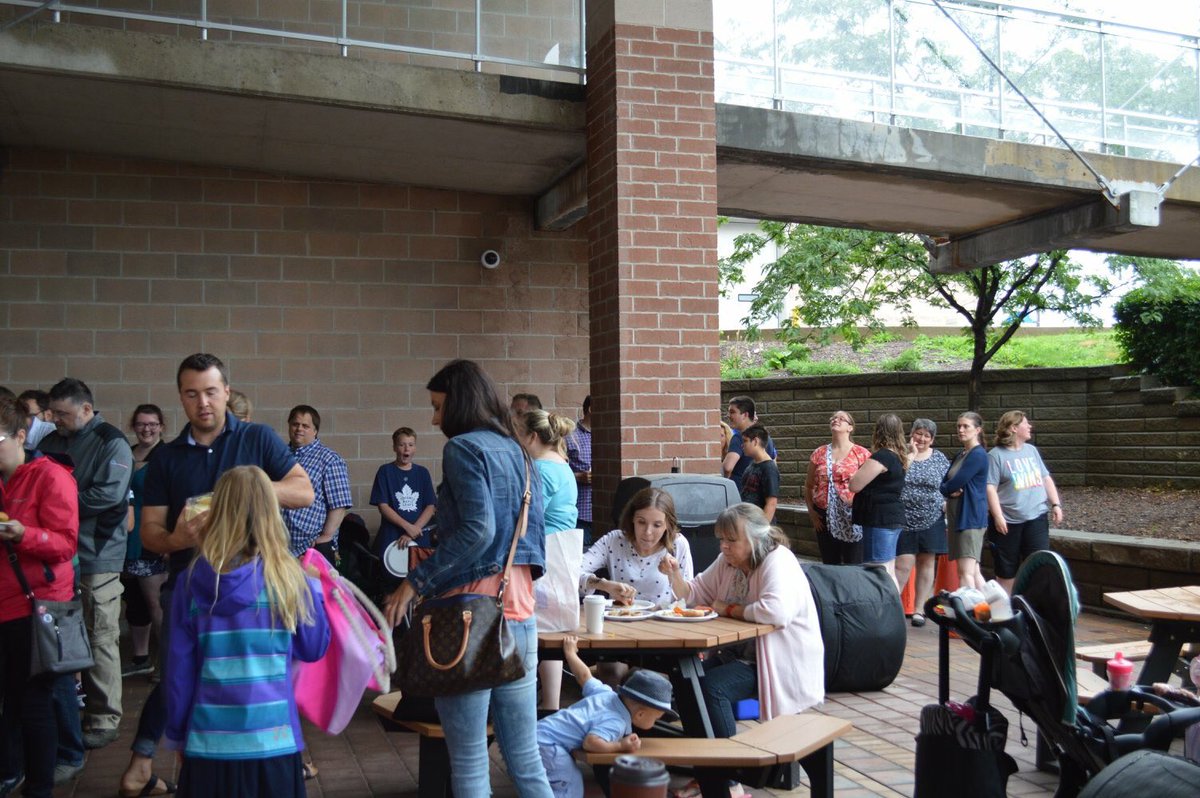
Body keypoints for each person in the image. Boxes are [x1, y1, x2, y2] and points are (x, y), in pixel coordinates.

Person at [119, 353, 313, 798]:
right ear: (180, 398)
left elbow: (303, 491)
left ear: (226, 391)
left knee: (262, 671)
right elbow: (150, 533)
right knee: (180, 675)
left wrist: (244, 492)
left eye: (210, 391)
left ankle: (274, 750)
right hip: (192, 586)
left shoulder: (257, 438)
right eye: (192, 394)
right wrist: (178, 537)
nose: (202, 402)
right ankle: (190, 754)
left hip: (260, 584)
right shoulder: (167, 458)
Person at [383, 359, 553, 798]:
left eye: (438, 406)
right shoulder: (518, 450)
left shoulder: (462, 448)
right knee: (526, 760)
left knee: (471, 765)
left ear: (459, 404)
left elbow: (479, 531)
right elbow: (530, 540)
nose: (434, 418)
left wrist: (414, 582)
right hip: (520, 616)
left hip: (468, 623)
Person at [165, 466, 330, 798]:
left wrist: (179, 734)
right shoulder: (289, 581)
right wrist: (315, 589)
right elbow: (313, 647)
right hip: (274, 742)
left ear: (219, 511)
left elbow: (178, 671)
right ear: (271, 512)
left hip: (208, 743)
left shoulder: (189, 583)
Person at [660, 503, 824, 739]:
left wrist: (728, 609)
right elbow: (693, 594)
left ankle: (725, 758)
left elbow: (776, 612)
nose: (723, 546)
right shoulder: (727, 561)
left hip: (778, 661)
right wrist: (674, 574)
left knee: (712, 687)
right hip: (737, 654)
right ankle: (702, 751)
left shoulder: (778, 560)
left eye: (731, 540)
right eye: (721, 539)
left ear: (756, 538)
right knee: (684, 676)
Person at [38, 378, 134, 750]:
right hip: (56, 554)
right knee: (59, 635)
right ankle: (66, 711)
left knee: (100, 635)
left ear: (86, 410)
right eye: (52, 413)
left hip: (98, 553)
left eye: (62, 414)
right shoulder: (51, 443)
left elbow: (108, 495)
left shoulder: (111, 442)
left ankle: (104, 717)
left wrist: (57, 502)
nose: (55, 419)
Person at [0, 395, 81, 798]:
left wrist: (23, 534)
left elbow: (66, 544)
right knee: (11, 701)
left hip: (38, 608)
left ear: (20, 435)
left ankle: (39, 786)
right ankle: (11, 771)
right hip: (5, 607)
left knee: (34, 702)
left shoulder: (50, 477)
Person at [536, 636, 675, 798]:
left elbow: (584, 676)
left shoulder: (606, 693)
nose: (655, 722)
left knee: (547, 781)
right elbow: (591, 742)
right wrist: (620, 745)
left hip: (541, 732)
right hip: (549, 745)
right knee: (569, 786)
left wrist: (570, 654)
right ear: (640, 714)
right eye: (656, 718)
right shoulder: (616, 722)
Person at [518, 409, 578, 709]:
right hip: (559, 557)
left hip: (542, 557)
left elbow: (527, 517)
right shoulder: (563, 466)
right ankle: (550, 705)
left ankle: (527, 703)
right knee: (550, 632)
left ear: (532, 437)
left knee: (530, 632)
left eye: (520, 434)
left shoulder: (541, 469)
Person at [987, 411, 1063, 594]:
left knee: (1039, 567)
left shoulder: (1031, 451)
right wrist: (998, 516)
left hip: (1036, 518)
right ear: (1014, 428)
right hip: (1007, 523)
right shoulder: (995, 456)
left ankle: (1033, 608)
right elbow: (990, 488)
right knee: (1006, 572)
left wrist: (1056, 504)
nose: (1030, 427)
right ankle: (1006, 609)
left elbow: (1045, 478)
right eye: (1026, 423)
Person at [580, 487, 693, 610]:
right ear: (632, 518)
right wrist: (604, 584)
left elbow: (689, 600)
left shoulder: (678, 545)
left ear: (668, 525)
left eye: (657, 525)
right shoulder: (613, 541)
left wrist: (674, 574)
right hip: (619, 618)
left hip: (662, 620)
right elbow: (571, 573)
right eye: (641, 522)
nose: (648, 532)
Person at [123, 404, 169, 679]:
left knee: (156, 605)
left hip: (151, 538)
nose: (147, 429)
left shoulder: (166, 456)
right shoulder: (126, 453)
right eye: (141, 424)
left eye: (152, 424)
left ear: (161, 426)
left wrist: (168, 540)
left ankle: (167, 663)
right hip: (126, 540)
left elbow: (174, 497)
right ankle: (141, 658)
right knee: (134, 601)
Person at [896, 419, 950, 627]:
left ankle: (920, 610)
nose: (922, 438)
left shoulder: (939, 458)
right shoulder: (902, 454)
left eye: (927, 435)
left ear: (932, 439)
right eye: (918, 433)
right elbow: (895, 478)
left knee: (927, 562)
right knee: (903, 564)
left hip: (932, 517)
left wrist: (946, 503)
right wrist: (910, 455)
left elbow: (948, 483)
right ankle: (892, 608)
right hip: (904, 518)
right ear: (911, 434)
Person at [281, 405, 352, 561]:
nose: (299, 429)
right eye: (295, 424)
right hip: (280, 546)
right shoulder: (279, 455)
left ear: (315, 430)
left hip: (311, 547)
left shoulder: (329, 459)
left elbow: (339, 505)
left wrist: (326, 537)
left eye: (305, 426)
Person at [848, 413, 909, 587]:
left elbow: (854, 485)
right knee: (888, 569)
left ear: (878, 431)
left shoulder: (882, 457)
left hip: (879, 519)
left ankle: (883, 604)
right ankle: (893, 604)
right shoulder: (899, 457)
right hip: (892, 518)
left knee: (877, 570)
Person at [804, 410, 871, 565]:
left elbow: (870, 487)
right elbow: (809, 485)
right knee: (829, 562)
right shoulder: (819, 453)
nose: (836, 420)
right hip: (823, 516)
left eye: (842, 419)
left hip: (852, 516)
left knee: (853, 563)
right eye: (833, 418)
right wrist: (812, 512)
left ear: (850, 428)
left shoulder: (861, 454)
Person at [940, 412, 990, 595]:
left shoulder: (978, 455)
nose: (960, 430)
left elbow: (954, 483)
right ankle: (992, 607)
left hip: (969, 519)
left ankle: (970, 609)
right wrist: (947, 489)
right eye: (958, 426)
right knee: (973, 571)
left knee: (965, 572)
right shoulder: (961, 454)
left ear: (977, 430)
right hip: (959, 517)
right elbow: (944, 484)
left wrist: (947, 489)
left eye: (965, 426)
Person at [369, 426, 436, 558]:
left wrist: (414, 529)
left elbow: (430, 506)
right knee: (391, 568)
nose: (407, 449)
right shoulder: (385, 471)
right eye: (402, 445)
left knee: (418, 568)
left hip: (418, 535)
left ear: (415, 447)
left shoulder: (423, 472)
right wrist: (407, 527)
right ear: (394, 447)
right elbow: (383, 506)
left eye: (411, 445)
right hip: (392, 535)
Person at [722, 396, 776, 487]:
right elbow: (773, 464)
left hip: (739, 492)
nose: (728, 415)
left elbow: (727, 467)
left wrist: (726, 484)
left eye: (732, 412)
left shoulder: (739, 437)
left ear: (745, 415)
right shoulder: (767, 437)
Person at [564, 395, 592, 544]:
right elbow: (559, 471)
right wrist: (578, 476)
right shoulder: (570, 436)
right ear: (591, 409)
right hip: (581, 514)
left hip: (606, 512)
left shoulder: (609, 434)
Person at [738, 424, 780, 521]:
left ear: (755, 441)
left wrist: (762, 528)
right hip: (748, 522)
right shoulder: (752, 464)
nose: (742, 445)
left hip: (758, 524)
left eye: (745, 441)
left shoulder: (769, 468)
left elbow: (771, 503)